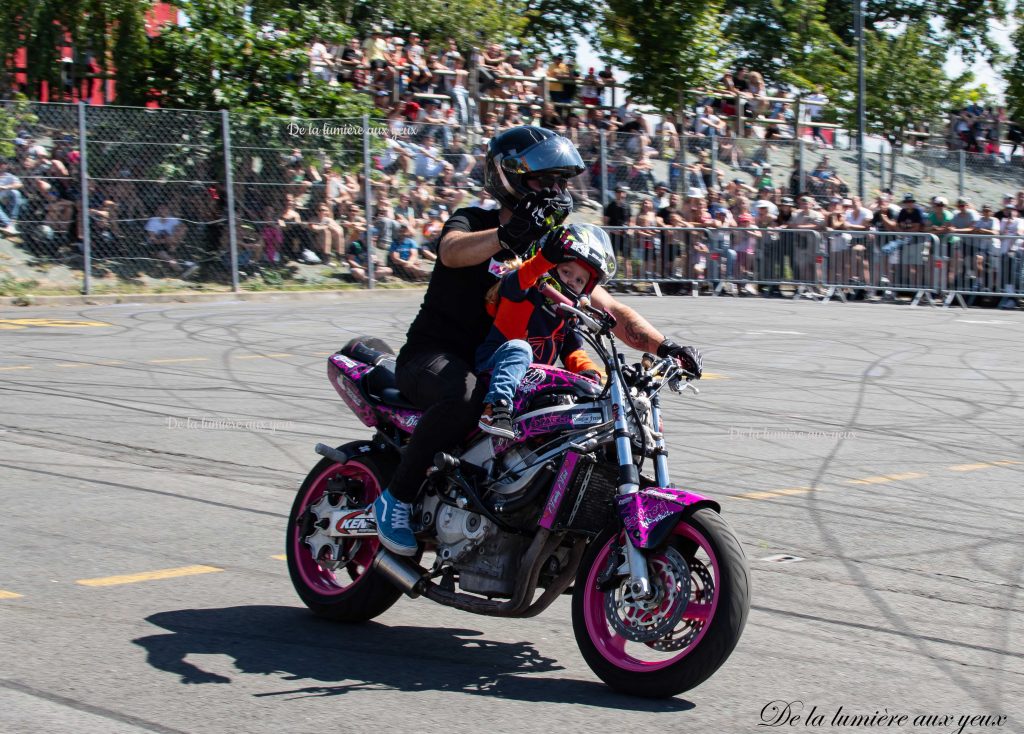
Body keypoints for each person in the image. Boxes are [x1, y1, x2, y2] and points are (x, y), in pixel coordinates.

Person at [371, 125, 704, 556]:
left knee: (582, 413)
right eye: (545, 180)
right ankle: (394, 498)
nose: (556, 190)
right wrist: (506, 238)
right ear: (509, 177)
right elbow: (451, 250)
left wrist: (665, 347)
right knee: (466, 395)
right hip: (435, 356)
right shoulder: (476, 221)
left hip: (508, 364)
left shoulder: (553, 251)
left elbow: (613, 311)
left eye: (562, 182)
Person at [476, 223, 613, 437]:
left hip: (532, 383)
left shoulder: (568, 315)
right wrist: (543, 259)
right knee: (520, 349)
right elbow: (519, 280)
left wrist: (591, 374)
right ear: (550, 267)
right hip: (493, 369)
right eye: (566, 271)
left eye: (579, 280)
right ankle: (495, 409)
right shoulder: (525, 293)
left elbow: (573, 351)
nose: (571, 281)